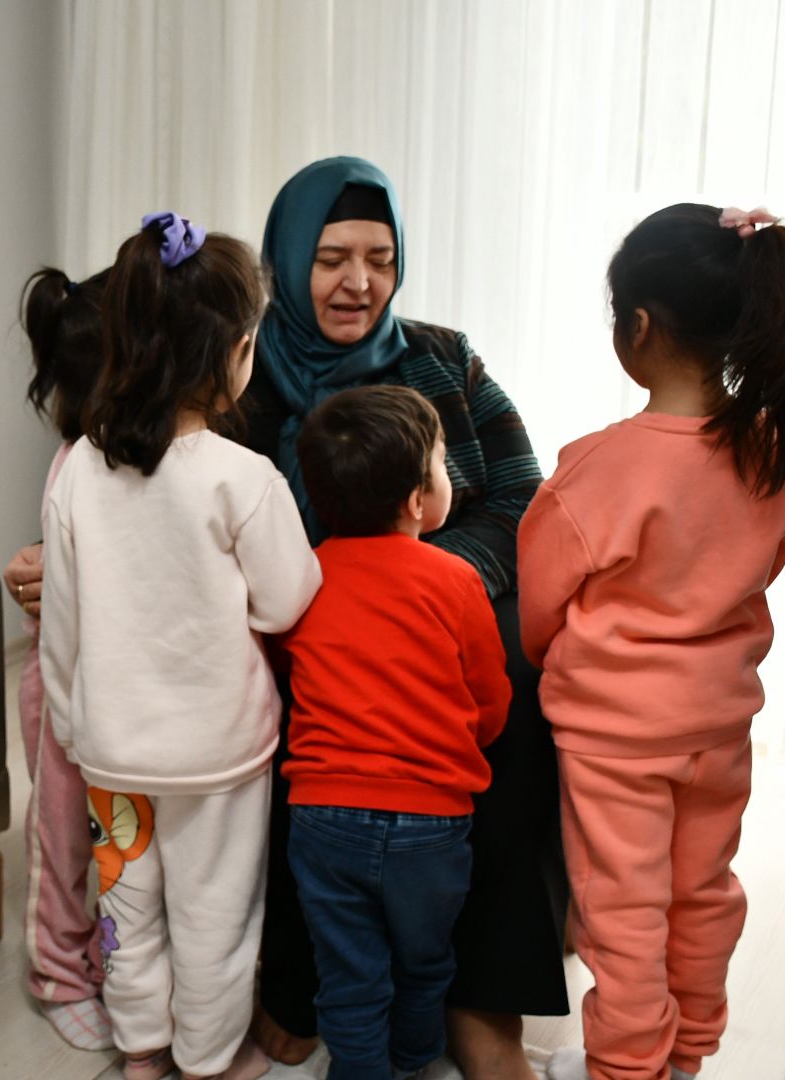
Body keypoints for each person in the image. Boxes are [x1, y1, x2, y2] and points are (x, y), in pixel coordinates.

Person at [242, 155, 567, 1080]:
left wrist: (418, 583)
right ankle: (301, 977)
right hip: (295, 615)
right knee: (284, 704)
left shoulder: (445, 357)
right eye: (332, 259)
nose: (360, 282)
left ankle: (482, 997)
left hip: (443, 595)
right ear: (287, 260)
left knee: (517, 695)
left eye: (380, 259)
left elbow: (521, 496)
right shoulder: (240, 374)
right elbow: (182, 504)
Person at [526, 204, 785, 1080]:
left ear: (639, 326)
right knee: (703, 894)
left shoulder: (600, 465)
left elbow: (540, 607)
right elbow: (766, 561)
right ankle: (686, 1055)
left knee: (622, 914)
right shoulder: (767, 450)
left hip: (615, 738)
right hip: (718, 727)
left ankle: (627, 1069)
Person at [39, 212, 322, 1080]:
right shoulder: (244, 478)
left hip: (113, 751)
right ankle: (207, 1058)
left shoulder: (79, 473)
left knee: (126, 910)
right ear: (235, 354)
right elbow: (287, 601)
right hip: (217, 756)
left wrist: (74, 725)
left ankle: (141, 1049)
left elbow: (62, 624)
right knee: (215, 917)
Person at [279, 385, 511, 1080]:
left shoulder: (304, 576)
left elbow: (286, 674)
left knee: (347, 968)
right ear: (417, 500)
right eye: (441, 463)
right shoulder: (456, 579)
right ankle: (412, 1060)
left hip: (321, 815)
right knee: (425, 960)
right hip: (430, 823)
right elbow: (490, 699)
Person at [5, 264, 115, 1050]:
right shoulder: (79, 463)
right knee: (61, 839)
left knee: (112, 843)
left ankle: (101, 958)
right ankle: (57, 973)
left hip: (115, 686)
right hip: (66, 687)